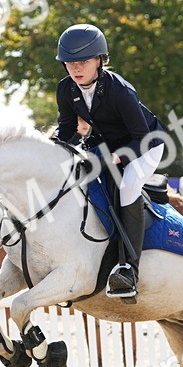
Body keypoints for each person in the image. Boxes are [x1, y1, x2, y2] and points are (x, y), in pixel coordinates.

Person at [53, 23, 168, 298]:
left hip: (146, 145)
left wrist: (111, 158)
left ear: (99, 60)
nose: (75, 68)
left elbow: (140, 137)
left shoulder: (120, 90)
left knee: (128, 185)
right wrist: (54, 146)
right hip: (107, 144)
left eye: (83, 62)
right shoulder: (66, 89)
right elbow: (67, 128)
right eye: (70, 63)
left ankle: (129, 270)